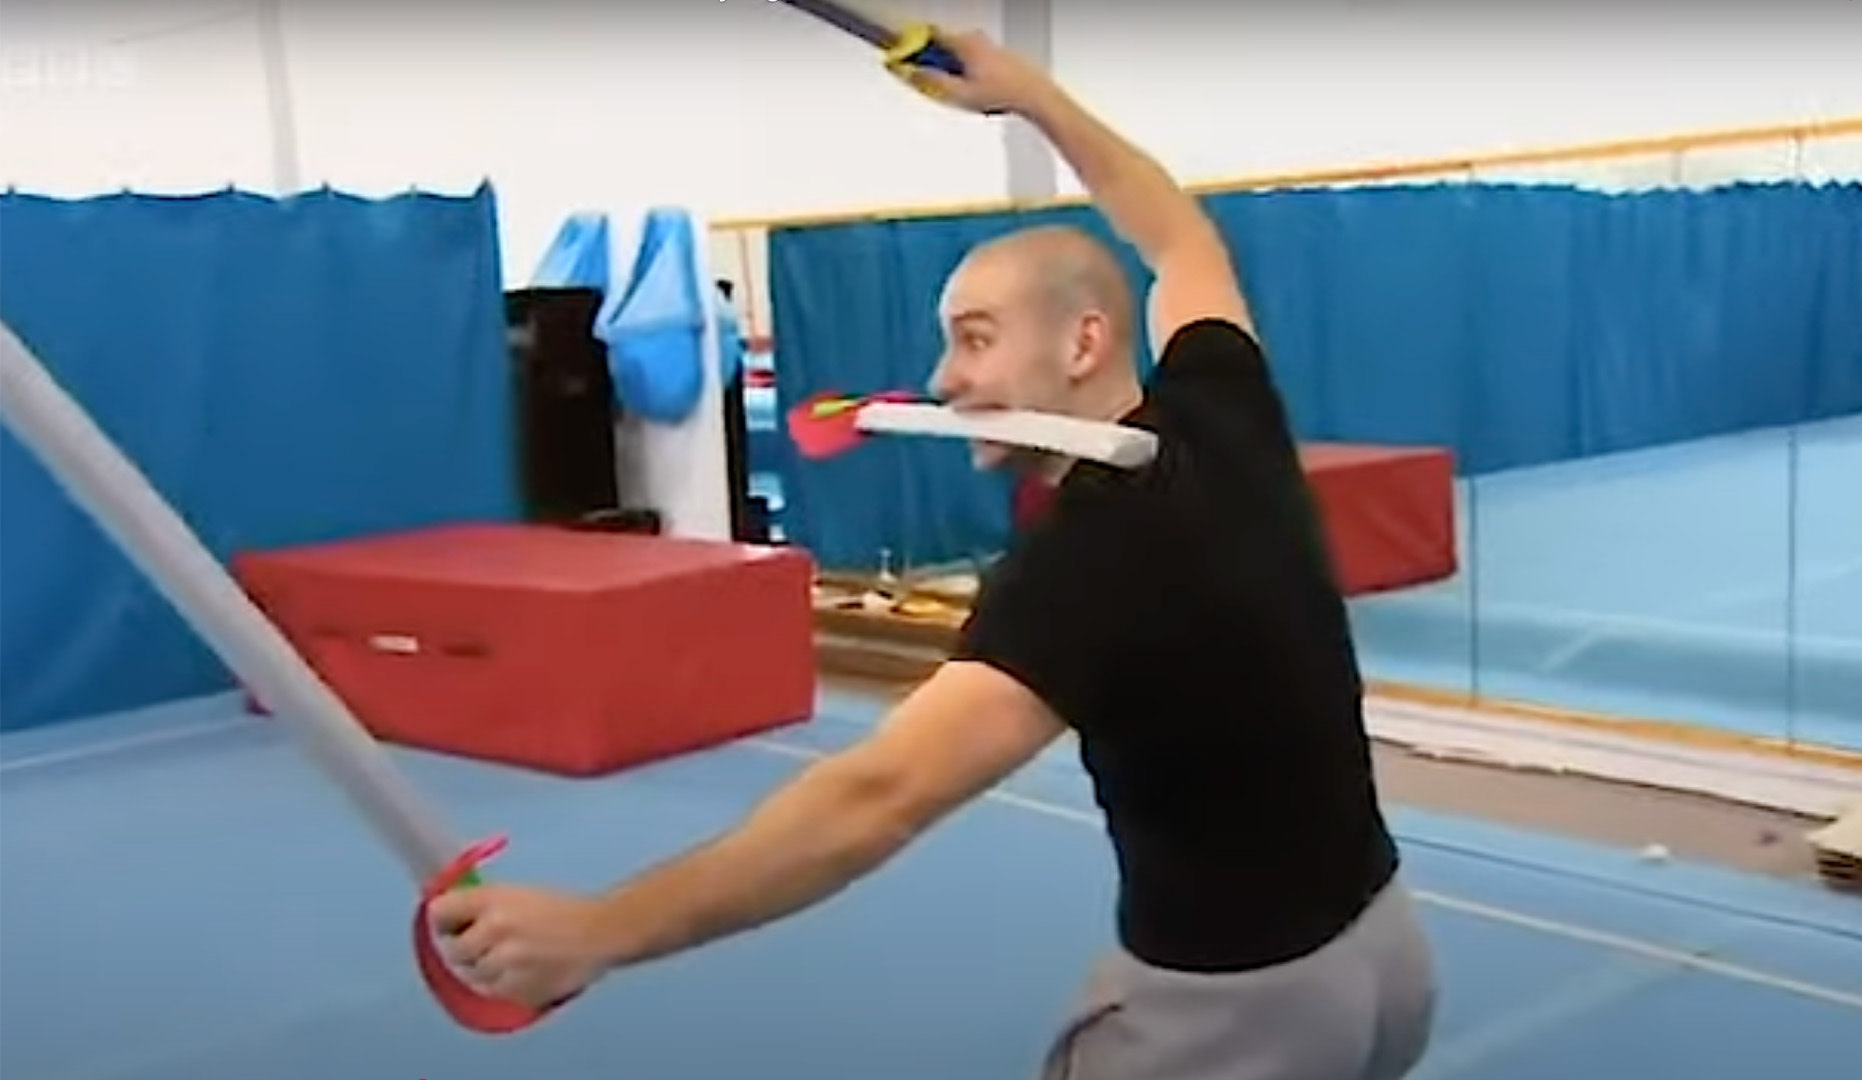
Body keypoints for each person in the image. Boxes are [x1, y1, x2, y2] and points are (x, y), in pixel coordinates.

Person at [429, 28, 1437, 1080]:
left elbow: (876, 796)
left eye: (976, 337)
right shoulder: (1223, 402)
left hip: (1238, 1021)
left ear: (1083, 343)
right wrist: (1031, 95)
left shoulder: (1080, 569)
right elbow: (1177, 236)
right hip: (1386, 957)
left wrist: (597, 931)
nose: (944, 379)